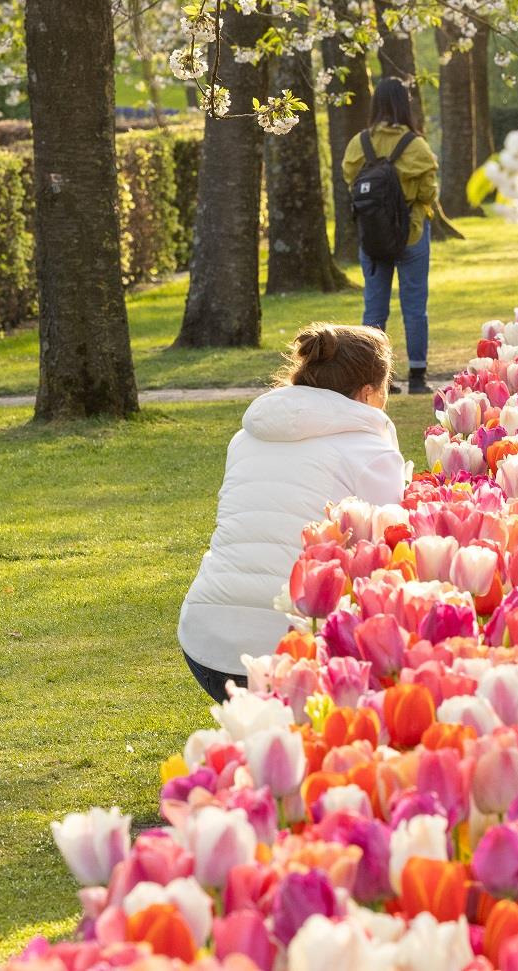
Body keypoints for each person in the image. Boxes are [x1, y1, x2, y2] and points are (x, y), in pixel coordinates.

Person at [178, 323, 407, 701]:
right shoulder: (371, 453)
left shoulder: (246, 438)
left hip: (205, 639)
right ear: (368, 392)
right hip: (292, 648)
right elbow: (387, 550)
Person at [341, 78, 439, 394]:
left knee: (374, 308)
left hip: (372, 237)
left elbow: (351, 182)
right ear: (405, 105)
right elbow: (428, 191)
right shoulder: (416, 146)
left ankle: (374, 378)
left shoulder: (359, 144)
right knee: (414, 306)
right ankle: (418, 377)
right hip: (410, 233)